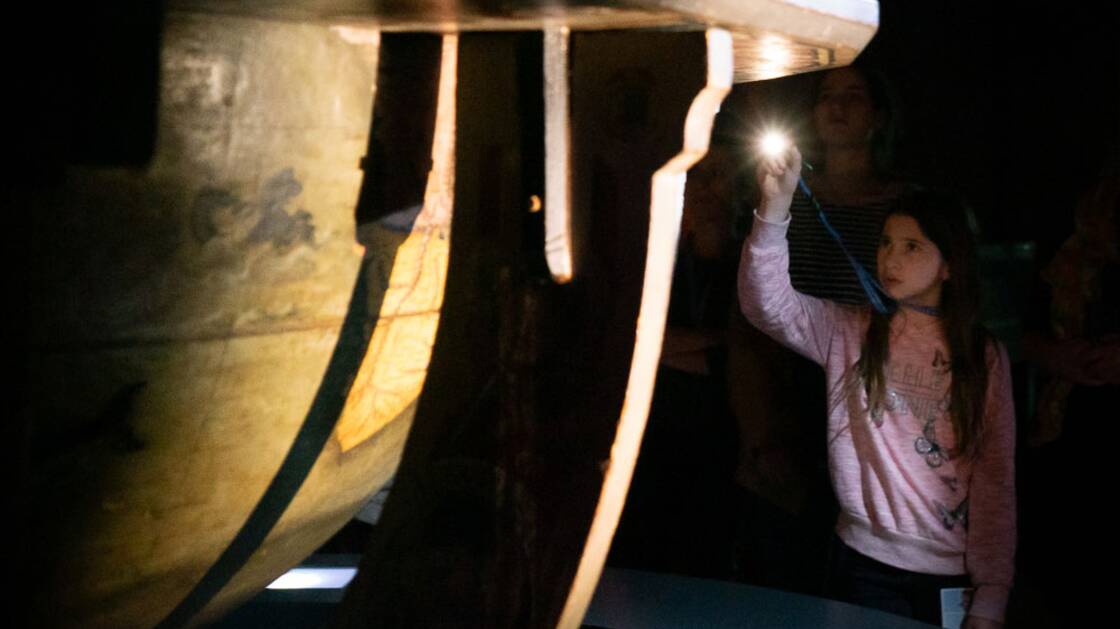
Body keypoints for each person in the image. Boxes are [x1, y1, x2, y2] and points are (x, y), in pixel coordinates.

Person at [737, 144, 1016, 627]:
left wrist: (991, 594)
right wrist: (776, 205)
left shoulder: (982, 356)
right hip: (863, 563)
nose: (891, 257)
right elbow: (767, 303)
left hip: (949, 573)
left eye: (912, 246)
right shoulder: (852, 331)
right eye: (886, 242)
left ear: (949, 264)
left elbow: (995, 476)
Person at [729, 63, 911, 593]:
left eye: (853, 96)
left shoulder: (909, 209)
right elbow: (749, 320)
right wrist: (757, 431)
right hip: (791, 398)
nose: (837, 107)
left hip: (878, 403)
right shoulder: (783, 193)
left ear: (877, 115)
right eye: (827, 96)